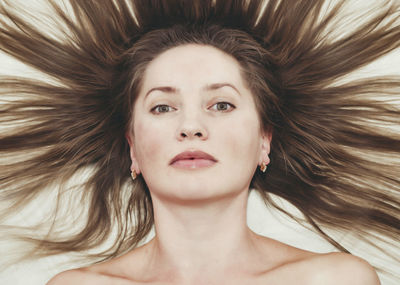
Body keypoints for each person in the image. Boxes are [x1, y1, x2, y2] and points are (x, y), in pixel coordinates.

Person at [0, 0, 399, 284]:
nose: (191, 127)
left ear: (265, 140)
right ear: (132, 147)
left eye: (221, 104)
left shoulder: (333, 280)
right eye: (162, 108)